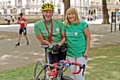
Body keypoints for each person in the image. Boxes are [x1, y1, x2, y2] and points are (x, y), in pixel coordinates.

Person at [64, 8, 91, 80]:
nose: (71, 16)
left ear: (76, 15)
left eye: (72, 14)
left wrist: (87, 50)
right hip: (70, 53)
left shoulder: (82, 24)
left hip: (81, 53)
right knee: (72, 73)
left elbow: (88, 37)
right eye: (69, 14)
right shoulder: (65, 26)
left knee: (79, 74)